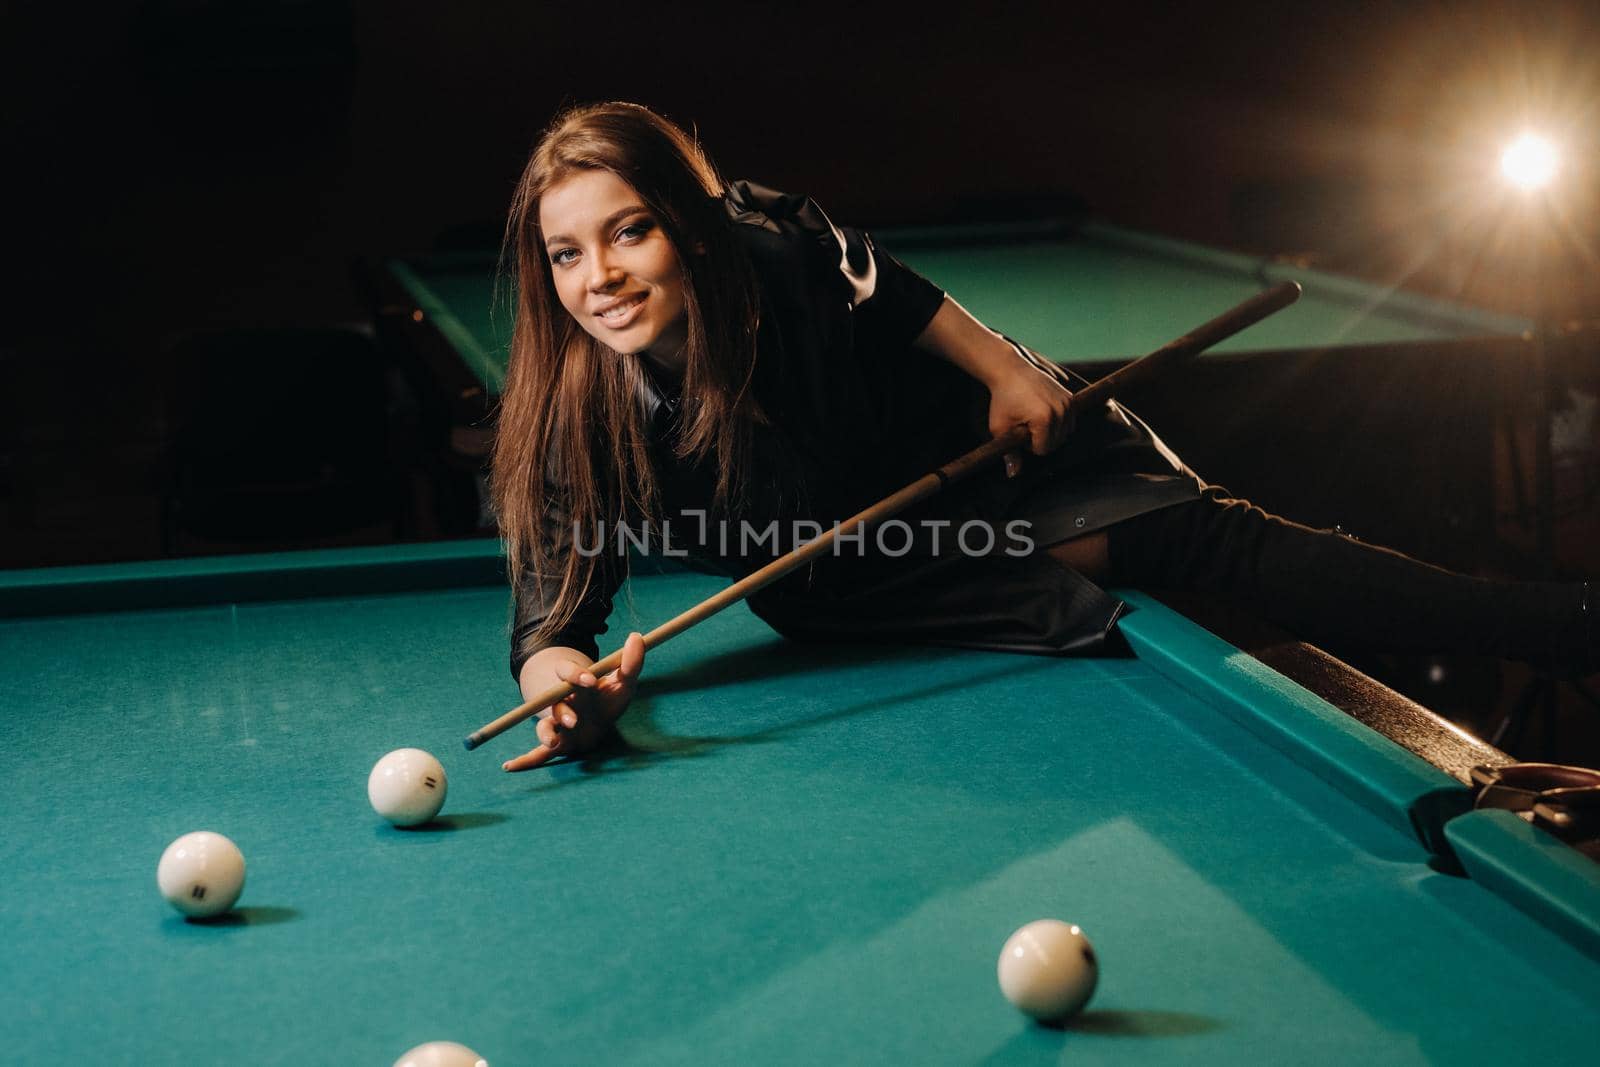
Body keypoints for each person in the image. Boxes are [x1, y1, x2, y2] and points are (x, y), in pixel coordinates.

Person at [490, 101, 1595, 773]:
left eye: (629, 230)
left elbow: (893, 293)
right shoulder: (567, 425)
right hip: (846, 573)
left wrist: (1006, 370)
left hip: (972, 464)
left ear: (688, 228)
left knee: (1202, 546)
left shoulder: (770, 250)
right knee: (1142, 561)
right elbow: (554, 611)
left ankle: (1563, 623)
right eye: (568, 252)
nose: (602, 277)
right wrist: (566, 685)